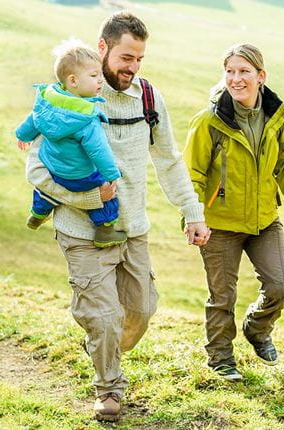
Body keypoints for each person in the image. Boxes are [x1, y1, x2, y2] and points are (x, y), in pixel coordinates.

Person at [25, 11, 210, 422]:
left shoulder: (148, 98)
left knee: (141, 311)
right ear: (103, 48)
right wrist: (89, 197)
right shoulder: (66, 99)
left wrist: (192, 213)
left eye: (140, 59)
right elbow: (36, 170)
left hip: (133, 230)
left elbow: (168, 160)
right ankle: (108, 388)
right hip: (80, 230)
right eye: (127, 57)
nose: (133, 68)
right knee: (106, 317)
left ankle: (100, 344)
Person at [183, 44, 284, 381]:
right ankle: (221, 359)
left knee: (281, 285)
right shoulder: (210, 120)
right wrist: (193, 217)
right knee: (222, 296)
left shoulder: (278, 117)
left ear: (261, 76)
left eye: (243, 71)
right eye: (230, 71)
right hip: (219, 225)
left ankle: (257, 329)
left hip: (264, 220)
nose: (236, 78)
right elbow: (193, 174)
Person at [16, 38, 127, 248]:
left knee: (45, 193)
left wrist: (23, 135)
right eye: (94, 76)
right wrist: (111, 175)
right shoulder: (85, 117)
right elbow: (98, 151)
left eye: (100, 75)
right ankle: (105, 231)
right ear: (73, 81)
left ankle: (38, 214)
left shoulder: (48, 98)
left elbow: (33, 119)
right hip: (78, 175)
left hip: (52, 166)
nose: (100, 81)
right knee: (106, 195)